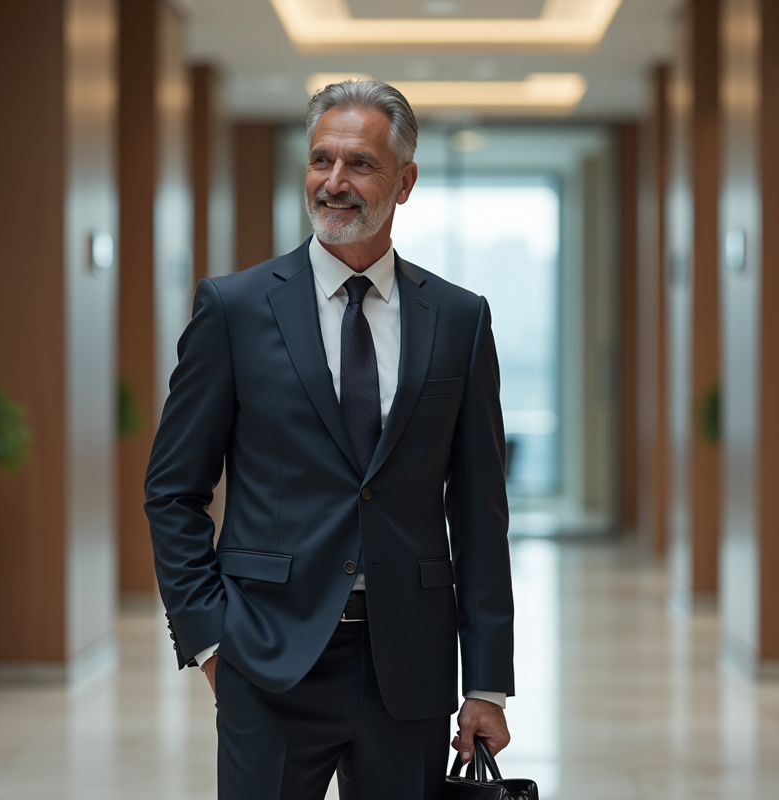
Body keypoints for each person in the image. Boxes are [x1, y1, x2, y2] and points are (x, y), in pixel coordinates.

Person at [146, 80, 514, 800]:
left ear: (404, 181)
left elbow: (480, 509)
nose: (335, 183)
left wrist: (489, 682)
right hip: (269, 657)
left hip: (408, 666)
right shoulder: (234, 308)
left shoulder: (461, 320)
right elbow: (174, 489)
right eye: (322, 161)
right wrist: (212, 641)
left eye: (361, 165)